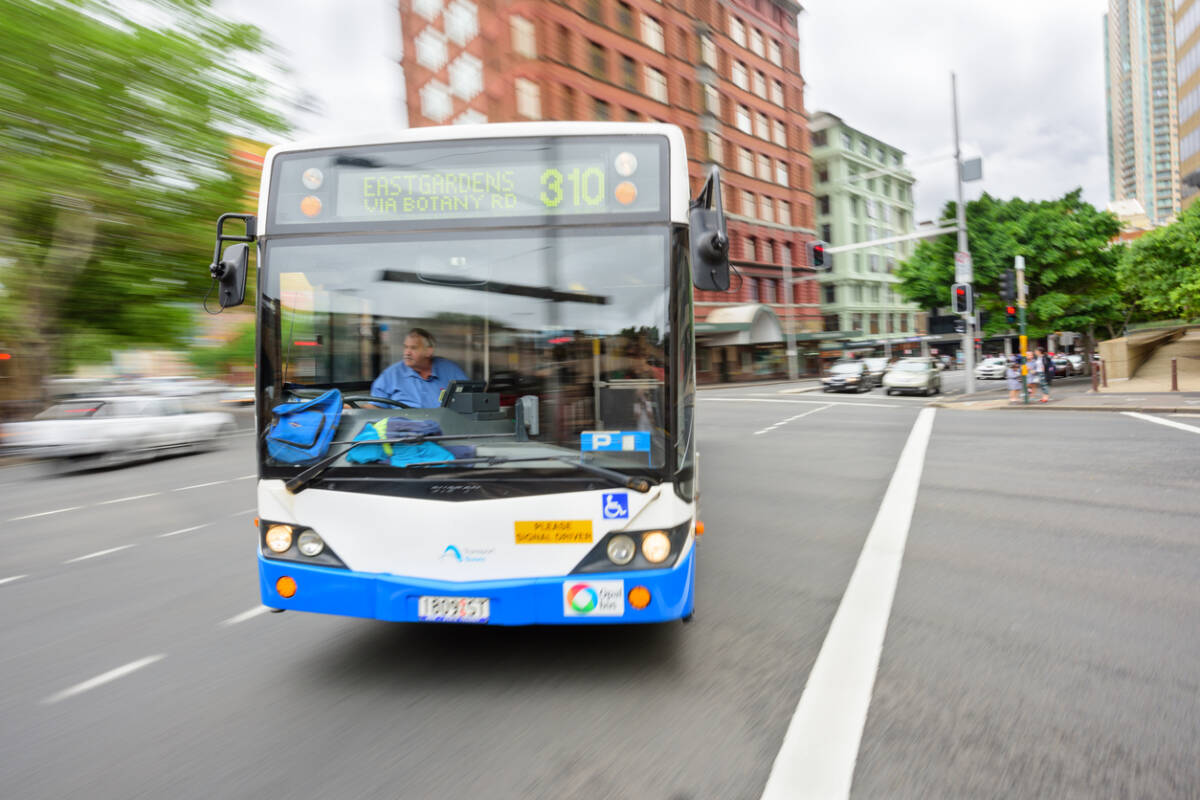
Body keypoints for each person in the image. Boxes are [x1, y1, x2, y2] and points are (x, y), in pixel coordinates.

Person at [370, 328, 468, 408]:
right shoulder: (391, 374)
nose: (407, 352)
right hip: (405, 428)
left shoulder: (449, 370)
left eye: (413, 348)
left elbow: (470, 398)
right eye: (406, 347)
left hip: (446, 429)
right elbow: (376, 406)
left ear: (428, 351)